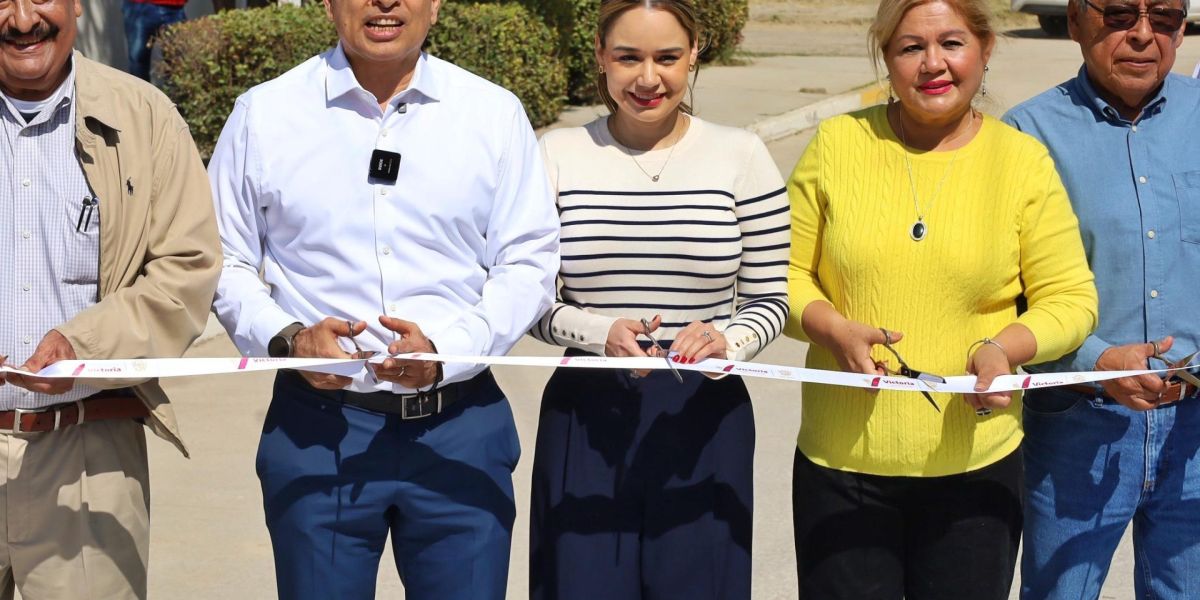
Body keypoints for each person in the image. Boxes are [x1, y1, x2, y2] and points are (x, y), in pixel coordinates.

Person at [207, 0, 560, 597]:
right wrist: (291, 339)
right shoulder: (264, 115)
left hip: (461, 427)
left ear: (436, 5)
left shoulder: (493, 114)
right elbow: (222, 260)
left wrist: (450, 350)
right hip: (320, 436)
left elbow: (528, 261)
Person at [785, 0, 1099, 597]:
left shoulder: (1021, 161)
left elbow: (1070, 298)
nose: (933, 64)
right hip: (841, 467)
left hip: (977, 471)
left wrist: (1001, 349)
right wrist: (832, 328)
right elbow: (785, 274)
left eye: (952, 43)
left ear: (985, 50)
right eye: (910, 48)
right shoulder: (835, 144)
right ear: (887, 59)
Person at [527, 1, 789, 598]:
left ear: (694, 54)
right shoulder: (556, 154)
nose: (648, 79)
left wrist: (730, 338)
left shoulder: (742, 155)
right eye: (628, 58)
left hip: (704, 414)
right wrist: (598, 333)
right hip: (587, 411)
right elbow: (530, 299)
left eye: (667, 57)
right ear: (600, 55)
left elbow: (771, 298)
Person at [0, 0, 220, 598]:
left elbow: (187, 267)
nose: (22, 20)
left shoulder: (145, 116)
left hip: (87, 454)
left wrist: (84, 343)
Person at [1003, 0, 1200, 597]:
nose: (1142, 35)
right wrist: (1095, 362)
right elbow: (1007, 297)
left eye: (1162, 18)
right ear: (1075, 22)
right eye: (1119, 14)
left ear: (1183, 30)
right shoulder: (1024, 135)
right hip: (1077, 427)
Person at [121, 0, 187, 81]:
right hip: (138, 6)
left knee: (177, 61)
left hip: (175, 7)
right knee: (138, 63)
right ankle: (142, 93)